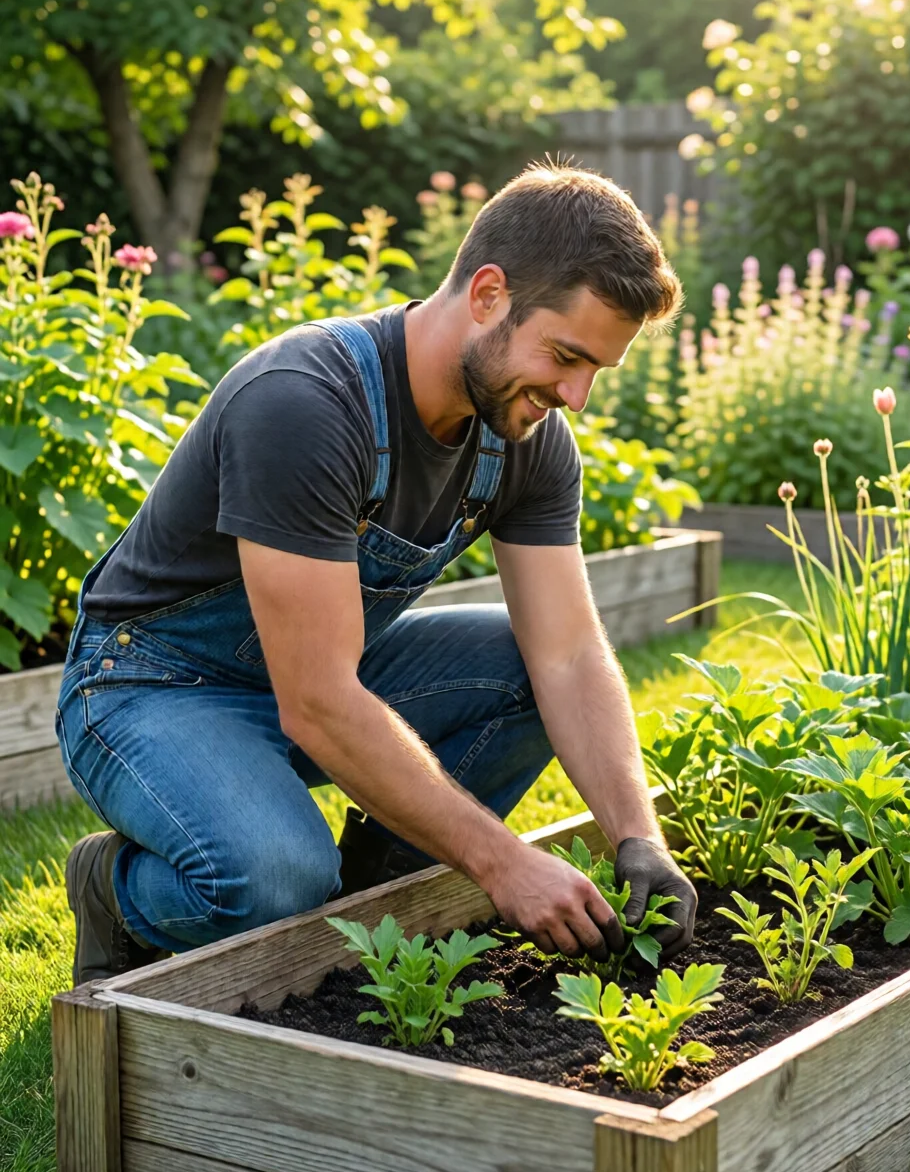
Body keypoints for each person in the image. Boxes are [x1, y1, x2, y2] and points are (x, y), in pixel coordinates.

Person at [58, 162, 698, 986]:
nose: (576, 396)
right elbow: (319, 702)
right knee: (277, 877)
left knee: (526, 673)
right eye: (566, 356)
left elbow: (570, 654)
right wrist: (503, 864)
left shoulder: (526, 441)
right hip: (149, 686)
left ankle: (372, 903)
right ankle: (114, 890)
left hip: (311, 675)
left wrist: (638, 837)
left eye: (595, 372)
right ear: (489, 295)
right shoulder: (305, 403)